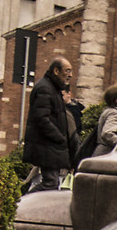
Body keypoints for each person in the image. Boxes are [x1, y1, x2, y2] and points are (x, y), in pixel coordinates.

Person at [21, 58, 77, 192]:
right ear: (56, 71)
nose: (70, 75)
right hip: (47, 146)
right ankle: (21, 203)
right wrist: (59, 138)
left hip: (50, 146)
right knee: (50, 183)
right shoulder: (45, 88)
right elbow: (42, 119)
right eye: (67, 71)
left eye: (71, 71)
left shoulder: (52, 88)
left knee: (51, 182)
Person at [78, 84, 117, 164]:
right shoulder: (114, 113)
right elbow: (107, 133)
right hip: (105, 156)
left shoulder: (109, 111)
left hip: (100, 155)